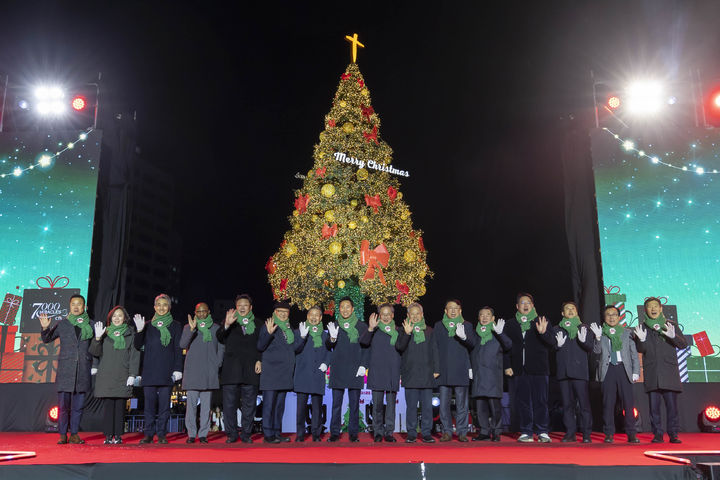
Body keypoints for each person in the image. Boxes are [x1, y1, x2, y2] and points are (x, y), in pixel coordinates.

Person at [39, 294, 94, 445]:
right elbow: (46, 339)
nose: (76, 307)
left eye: (79, 304)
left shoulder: (91, 324)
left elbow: (97, 346)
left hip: (82, 370)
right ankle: (62, 434)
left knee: (78, 407)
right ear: (69, 307)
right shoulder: (62, 324)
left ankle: (75, 434)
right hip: (65, 371)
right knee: (63, 407)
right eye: (73, 304)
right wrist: (45, 327)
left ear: (84, 307)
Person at [634, 297, 688, 444]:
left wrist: (673, 336)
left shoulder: (671, 325)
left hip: (669, 373)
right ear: (645, 310)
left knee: (672, 407)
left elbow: (683, 344)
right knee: (654, 409)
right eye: (649, 307)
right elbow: (641, 349)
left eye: (655, 306)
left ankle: (673, 434)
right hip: (653, 373)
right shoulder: (642, 327)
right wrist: (642, 341)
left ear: (660, 308)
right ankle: (657, 434)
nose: (653, 309)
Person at [503, 293, 554, 443]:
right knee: (523, 402)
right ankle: (526, 431)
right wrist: (507, 366)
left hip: (539, 368)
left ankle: (543, 430)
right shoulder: (511, 324)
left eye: (528, 303)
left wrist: (543, 333)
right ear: (517, 307)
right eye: (522, 303)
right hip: (519, 369)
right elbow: (506, 347)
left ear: (532, 306)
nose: (525, 305)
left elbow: (552, 343)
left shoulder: (541, 321)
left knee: (541, 401)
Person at [133, 293, 184, 444]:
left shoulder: (175, 326)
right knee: (148, 406)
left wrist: (178, 369)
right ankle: (148, 434)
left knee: (164, 407)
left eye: (165, 305)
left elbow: (178, 349)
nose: (161, 308)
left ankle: (161, 434)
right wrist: (140, 330)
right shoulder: (147, 325)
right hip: (149, 371)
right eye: (159, 305)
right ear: (154, 307)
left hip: (166, 371)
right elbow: (137, 346)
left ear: (169, 307)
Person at [456, 307, 510, 442]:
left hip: (493, 375)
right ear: (478, 318)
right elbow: (471, 345)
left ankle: (496, 432)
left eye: (487, 315)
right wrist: (463, 337)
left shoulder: (497, 333)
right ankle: (484, 431)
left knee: (495, 407)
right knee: (480, 407)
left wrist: (501, 333)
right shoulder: (476, 334)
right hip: (479, 374)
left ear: (493, 318)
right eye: (481, 315)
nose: (484, 317)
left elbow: (509, 346)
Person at [89, 306, 140, 444]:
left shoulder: (130, 333)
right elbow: (95, 352)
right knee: (108, 408)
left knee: (119, 408)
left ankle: (117, 436)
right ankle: (107, 436)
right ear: (110, 319)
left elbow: (134, 355)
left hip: (123, 375)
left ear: (125, 318)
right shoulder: (104, 333)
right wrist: (97, 338)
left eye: (120, 316)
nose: (117, 318)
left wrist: (133, 374)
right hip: (106, 375)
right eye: (114, 316)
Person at [590, 305, 640, 444]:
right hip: (608, 370)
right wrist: (598, 338)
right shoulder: (602, 332)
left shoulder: (626, 332)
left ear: (619, 317)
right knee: (608, 403)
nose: (611, 317)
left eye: (614, 314)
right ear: (604, 318)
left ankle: (631, 433)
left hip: (624, 369)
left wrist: (636, 371)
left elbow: (633, 354)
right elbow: (596, 351)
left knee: (628, 404)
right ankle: (609, 434)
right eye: (608, 314)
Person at [360, 304, 409, 443]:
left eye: (388, 314)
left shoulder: (399, 330)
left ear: (393, 315)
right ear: (379, 316)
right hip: (376, 372)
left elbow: (401, 347)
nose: (386, 316)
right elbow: (363, 342)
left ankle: (389, 433)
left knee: (391, 406)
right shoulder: (374, 330)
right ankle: (378, 432)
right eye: (383, 314)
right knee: (377, 406)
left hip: (392, 371)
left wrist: (407, 334)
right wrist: (370, 328)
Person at [217, 294, 262, 443]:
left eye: (245, 305)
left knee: (249, 405)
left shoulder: (258, 323)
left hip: (251, 370)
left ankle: (246, 434)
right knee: (229, 405)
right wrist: (227, 325)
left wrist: (260, 360)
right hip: (231, 370)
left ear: (250, 307)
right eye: (239, 305)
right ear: (236, 307)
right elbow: (219, 337)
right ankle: (231, 434)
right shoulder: (230, 321)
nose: (242, 307)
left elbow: (262, 346)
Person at [257, 301, 303, 443]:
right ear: (275, 313)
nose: (283, 314)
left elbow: (295, 349)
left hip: (285, 373)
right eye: (280, 312)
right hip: (271, 372)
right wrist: (268, 334)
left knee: (279, 406)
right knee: (269, 405)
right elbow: (260, 346)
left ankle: (277, 432)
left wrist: (302, 337)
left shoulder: (289, 328)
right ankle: (268, 433)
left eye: (285, 312)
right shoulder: (269, 325)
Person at [326, 297, 369, 442]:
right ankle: (334, 433)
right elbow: (328, 346)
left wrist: (363, 365)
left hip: (355, 369)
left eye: (347, 307)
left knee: (355, 404)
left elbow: (366, 348)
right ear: (339, 309)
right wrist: (331, 338)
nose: (345, 309)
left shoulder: (361, 326)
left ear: (352, 309)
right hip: (338, 369)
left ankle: (353, 434)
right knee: (336, 404)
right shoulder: (334, 325)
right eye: (342, 307)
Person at [180, 302, 224, 444]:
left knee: (206, 407)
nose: (201, 314)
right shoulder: (188, 327)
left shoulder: (216, 328)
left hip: (209, 372)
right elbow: (182, 344)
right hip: (193, 371)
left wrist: (217, 363)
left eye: (204, 311)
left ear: (209, 312)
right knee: (191, 407)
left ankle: (203, 434)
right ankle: (191, 434)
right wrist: (191, 330)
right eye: (198, 312)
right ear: (195, 312)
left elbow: (221, 347)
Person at [432, 299, 473, 442]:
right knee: (443, 404)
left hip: (461, 369)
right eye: (450, 308)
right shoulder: (438, 326)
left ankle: (462, 432)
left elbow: (472, 345)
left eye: (456, 308)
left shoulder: (467, 325)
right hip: (443, 371)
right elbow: (435, 348)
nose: (453, 310)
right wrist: (436, 368)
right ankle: (447, 431)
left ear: (460, 310)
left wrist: (464, 337)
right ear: (445, 311)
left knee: (462, 404)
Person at [398, 302, 439, 444]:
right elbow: (399, 347)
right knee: (411, 407)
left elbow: (435, 351)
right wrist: (407, 333)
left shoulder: (429, 331)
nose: (415, 316)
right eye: (412, 314)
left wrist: (437, 370)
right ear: (408, 316)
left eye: (417, 313)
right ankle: (411, 434)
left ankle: (426, 433)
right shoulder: (403, 330)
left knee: (427, 407)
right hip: (410, 374)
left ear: (422, 315)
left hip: (427, 374)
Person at [553, 301, 593, 443]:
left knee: (584, 404)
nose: (570, 311)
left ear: (577, 312)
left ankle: (587, 434)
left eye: (573, 309)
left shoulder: (584, 328)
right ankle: (570, 433)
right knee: (567, 405)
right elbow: (551, 348)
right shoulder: (557, 329)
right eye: (567, 309)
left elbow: (590, 347)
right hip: (564, 373)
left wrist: (583, 341)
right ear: (562, 313)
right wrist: (556, 345)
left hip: (580, 372)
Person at [293, 305, 330, 442]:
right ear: (307, 316)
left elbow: (329, 352)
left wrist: (326, 363)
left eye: (317, 315)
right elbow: (295, 349)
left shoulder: (325, 334)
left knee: (317, 408)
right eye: (311, 315)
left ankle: (316, 434)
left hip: (317, 375)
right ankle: (300, 434)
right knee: (300, 408)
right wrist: (302, 337)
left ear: (320, 318)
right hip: (302, 374)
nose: (314, 317)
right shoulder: (298, 332)